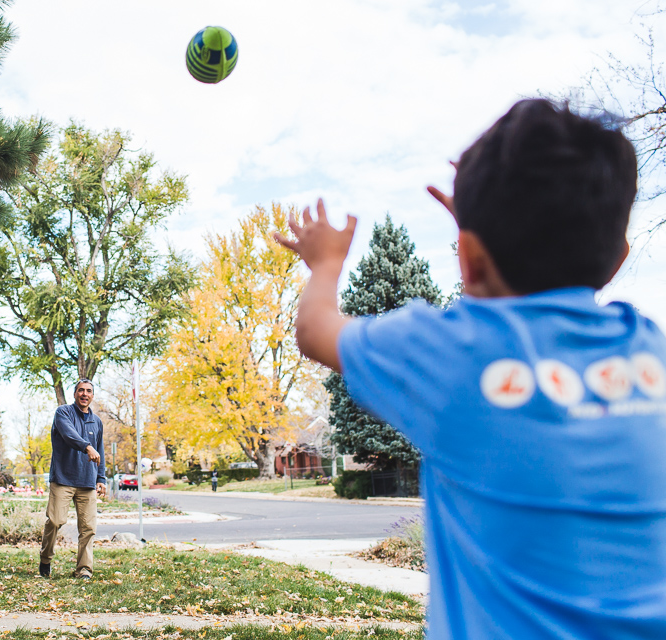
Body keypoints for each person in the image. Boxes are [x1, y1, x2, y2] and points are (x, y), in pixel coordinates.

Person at [276, 99, 666, 638]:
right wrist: (484, 236)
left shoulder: (449, 353)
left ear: (467, 257)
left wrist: (325, 264)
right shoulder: (650, 352)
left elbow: (316, 331)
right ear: (620, 257)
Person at [39, 379, 107, 579]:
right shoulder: (63, 413)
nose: (84, 394)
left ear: (92, 395)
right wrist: (87, 446)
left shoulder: (97, 422)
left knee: (88, 528)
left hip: (87, 482)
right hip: (63, 479)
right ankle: (45, 558)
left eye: (88, 391)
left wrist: (101, 477)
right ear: (74, 394)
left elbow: (100, 450)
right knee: (55, 521)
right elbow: (69, 435)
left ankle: (84, 570)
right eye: (81, 391)